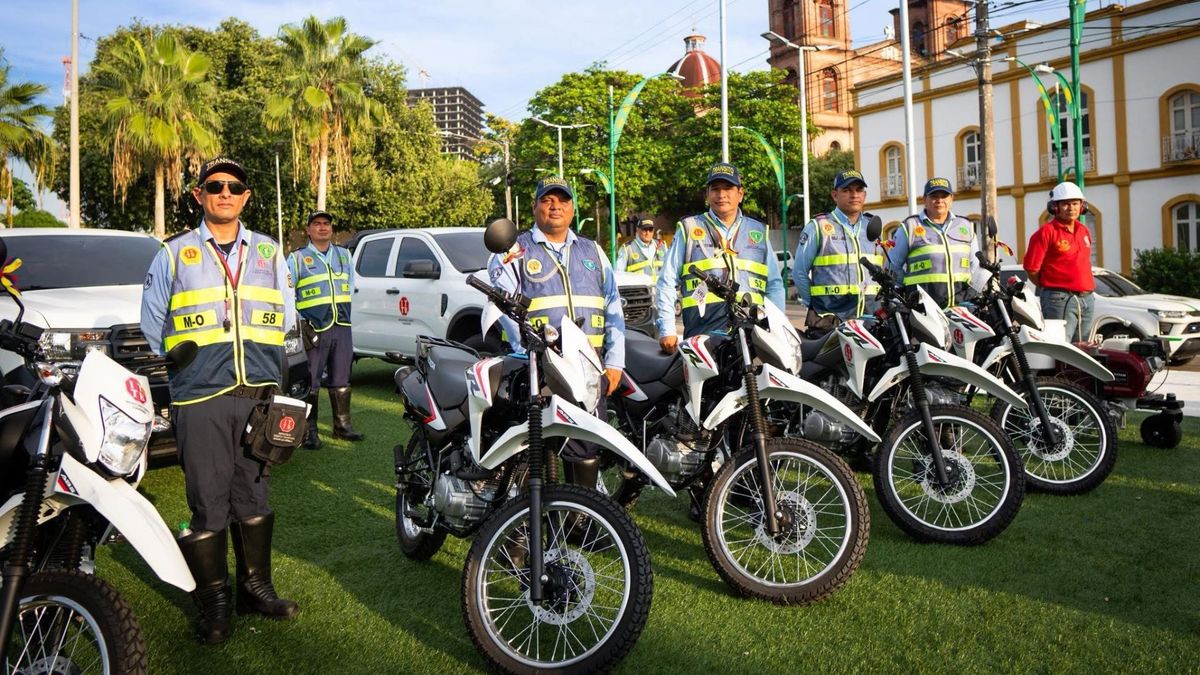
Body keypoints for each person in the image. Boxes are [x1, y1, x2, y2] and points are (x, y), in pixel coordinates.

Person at [140, 157, 299, 645]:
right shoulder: (173, 254)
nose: (225, 193)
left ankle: (255, 588)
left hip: (258, 394)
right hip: (200, 396)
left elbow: (286, 317)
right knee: (207, 501)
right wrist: (183, 361)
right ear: (199, 195)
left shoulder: (271, 254)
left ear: (246, 196)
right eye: (215, 186)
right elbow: (152, 324)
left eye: (234, 186)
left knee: (253, 496)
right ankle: (215, 604)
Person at [487, 176, 625, 489]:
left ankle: (582, 519)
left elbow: (614, 308)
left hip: (588, 366)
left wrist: (615, 362)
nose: (555, 206)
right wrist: (528, 350)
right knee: (532, 444)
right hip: (538, 365)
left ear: (573, 208)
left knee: (586, 442)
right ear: (535, 206)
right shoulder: (514, 250)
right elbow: (502, 305)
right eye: (547, 199)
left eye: (562, 199)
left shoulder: (593, 251)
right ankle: (521, 528)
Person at [656, 162, 786, 352]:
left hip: (753, 334)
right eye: (715, 189)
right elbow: (667, 281)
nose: (721, 194)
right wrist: (667, 329)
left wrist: (777, 327)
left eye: (728, 188)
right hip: (703, 335)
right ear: (707, 195)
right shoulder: (689, 228)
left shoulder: (758, 231)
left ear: (740, 194)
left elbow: (774, 285)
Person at [287, 210, 364, 449]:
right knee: (311, 381)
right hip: (313, 328)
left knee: (342, 378)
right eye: (317, 224)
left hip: (341, 325)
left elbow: (351, 285)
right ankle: (309, 432)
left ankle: (342, 426)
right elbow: (288, 294)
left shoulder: (343, 255)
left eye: (326, 224)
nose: (322, 227)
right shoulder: (297, 258)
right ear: (308, 230)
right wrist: (301, 322)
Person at [791, 169, 882, 329]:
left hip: (870, 319)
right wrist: (815, 305)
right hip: (831, 320)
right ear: (835, 195)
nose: (854, 195)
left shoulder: (871, 227)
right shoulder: (818, 226)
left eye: (859, 190)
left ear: (864, 195)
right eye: (846, 190)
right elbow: (799, 272)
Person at [885, 177, 980, 309]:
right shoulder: (910, 226)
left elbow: (975, 266)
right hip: (925, 310)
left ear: (951, 199)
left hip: (962, 308)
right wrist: (905, 291)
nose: (939, 200)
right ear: (925, 200)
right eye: (934, 196)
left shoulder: (966, 226)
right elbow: (892, 266)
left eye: (944, 196)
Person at [1023, 180, 1096, 342]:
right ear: (1055, 207)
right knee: (1061, 347)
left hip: (1087, 298)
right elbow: (1031, 268)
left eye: (1075, 203)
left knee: (1084, 349)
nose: (1071, 208)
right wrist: (1050, 288)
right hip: (1059, 299)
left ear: (1082, 206)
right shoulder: (1045, 233)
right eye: (1065, 204)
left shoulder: (1084, 230)